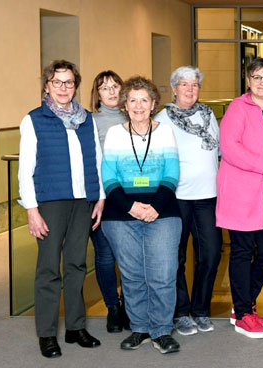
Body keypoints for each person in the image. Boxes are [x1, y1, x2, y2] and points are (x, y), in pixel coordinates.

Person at [19, 59, 104, 358]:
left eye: (69, 82)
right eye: (57, 82)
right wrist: (31, 210)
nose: (64, 88)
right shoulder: (34, 120)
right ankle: (46, 334)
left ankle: (75, 328)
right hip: (50, 202)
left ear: (75, 85)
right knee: (48, 269)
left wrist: (100, 197)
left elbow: (96, 159)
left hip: (83, 202)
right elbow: (25, 169)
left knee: (77, 265)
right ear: (47, 86)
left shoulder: (86, 119)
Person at [101, 76, 182, 354]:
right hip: (121, 215)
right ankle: (140, 328)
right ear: (125, 104)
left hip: (163, 212)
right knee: (132, 275)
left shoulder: (165, 132)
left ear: (153, 104)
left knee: (162, 273)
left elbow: (171, 173)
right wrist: (130, 207)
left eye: (144, 100)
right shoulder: (114, 133)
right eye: (132, 99)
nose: (138, 105)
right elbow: (108, 177)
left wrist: (155, 207)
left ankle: (161, 330)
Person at [217, 58, 263, 339]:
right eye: (257, 77)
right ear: (248, 80)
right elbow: (230, 148)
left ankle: (243, 304)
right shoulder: (238, 108)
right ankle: (243, 313)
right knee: (242, 251)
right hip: (241, 192)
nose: (262, 82)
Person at [154, 66, 222, 336]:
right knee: (176, 257)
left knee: (211, 255)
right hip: (177, 198)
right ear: (174, 88)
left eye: (195, 85)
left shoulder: (208, 115)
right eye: (184, 85)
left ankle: (201, 310)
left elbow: (218, 151)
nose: (190, 90)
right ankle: (181, 312)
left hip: (208, 196)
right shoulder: (162, 119)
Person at [89, 70, 129, 333]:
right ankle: (112, 307)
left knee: (129, 256)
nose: (112, 91)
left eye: (116, 86)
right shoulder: (90, 121)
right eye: (105, 88)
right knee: (105, 256)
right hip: (102, 197)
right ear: (97, 94)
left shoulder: (135, 114)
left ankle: (129, 305)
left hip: (131, 197)